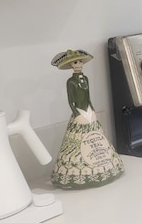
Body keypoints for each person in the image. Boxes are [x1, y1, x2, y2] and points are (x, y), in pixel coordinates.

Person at [50, 49, 124, 188]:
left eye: (81, 62)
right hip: (79, 112)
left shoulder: (86, 79)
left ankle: (105, 169)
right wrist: (76, 112)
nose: (79, 64)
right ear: (71, 65)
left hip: (89, 111)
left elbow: (87, 96)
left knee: (95, 136)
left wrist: (91, 109)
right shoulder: (71, 81)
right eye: (76, 62)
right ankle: (78, 175)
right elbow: (71, 100)